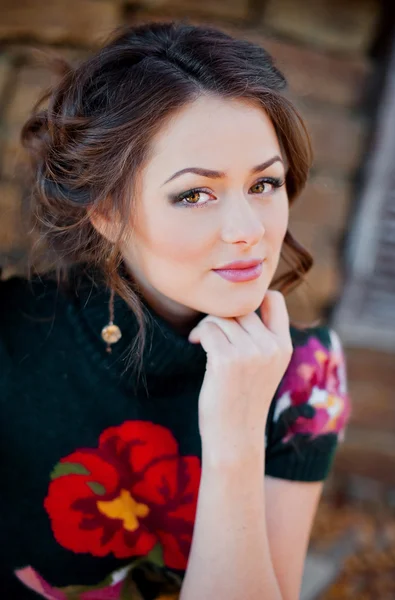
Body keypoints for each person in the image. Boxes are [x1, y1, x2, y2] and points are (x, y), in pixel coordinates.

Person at [0, 21, 351, 600]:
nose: (247, 232)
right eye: (195, 194)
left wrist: (237, 434)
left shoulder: (305, 375)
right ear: (106, 212)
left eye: (264, 185)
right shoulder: (12, 336)